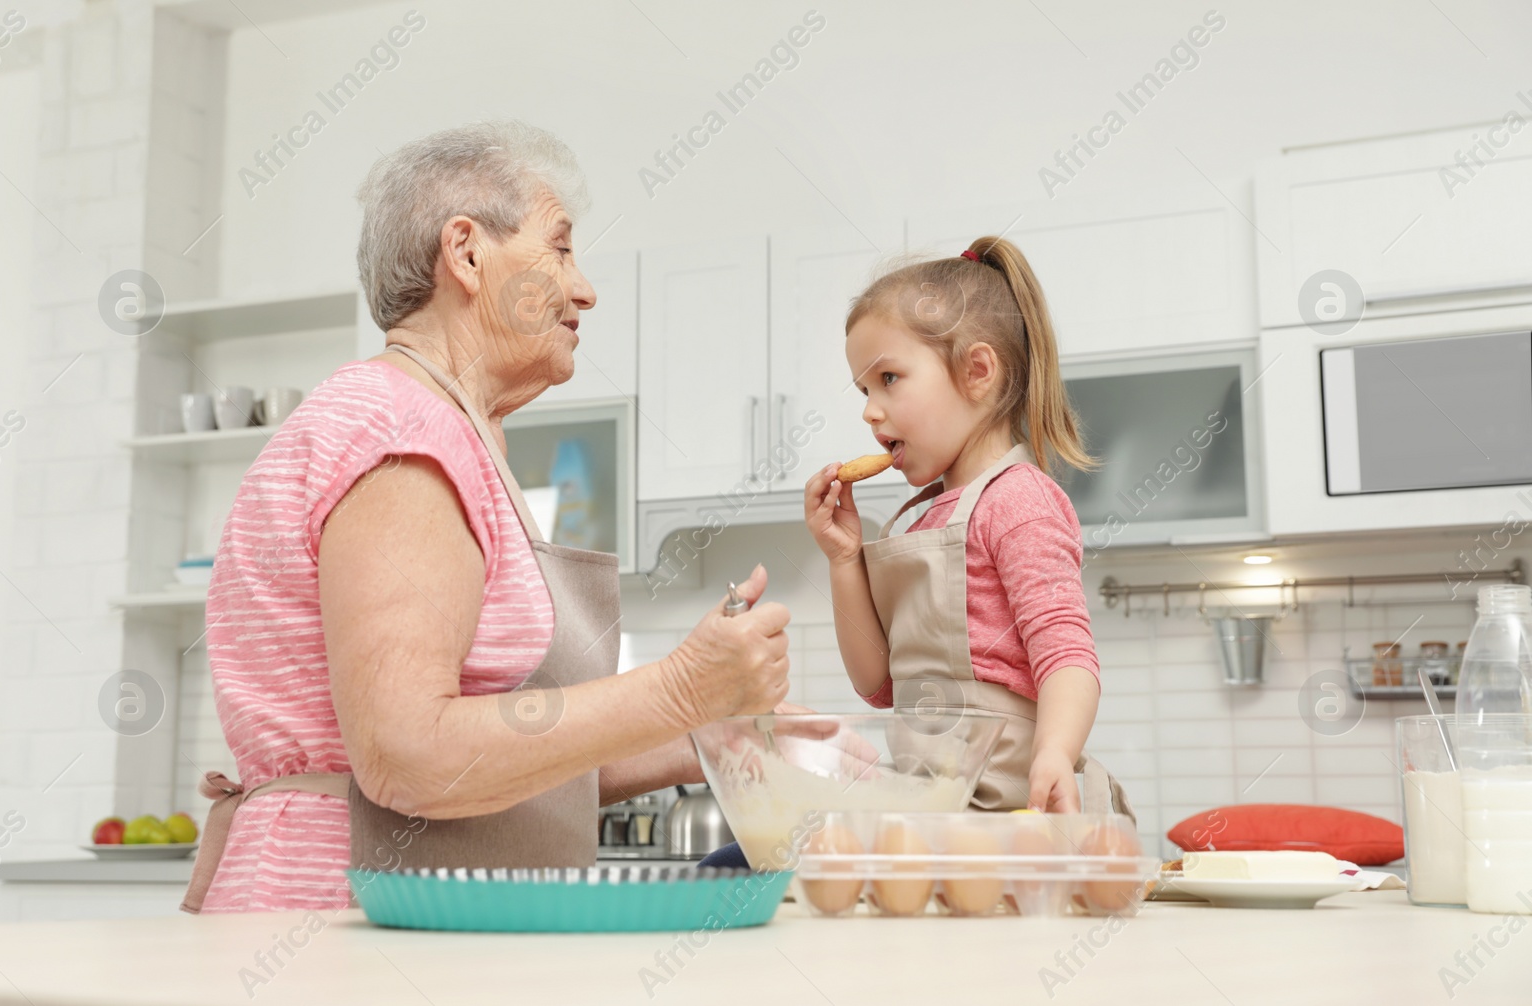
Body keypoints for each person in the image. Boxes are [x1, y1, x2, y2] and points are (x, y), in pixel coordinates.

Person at [183, 121, 792, 913]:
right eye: (562, 248)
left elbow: (502, 755)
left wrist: (712, 732)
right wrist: (678, 688)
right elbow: (409, 756)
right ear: (466, 254)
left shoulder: (444, 431)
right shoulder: (400, 432)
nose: (587, 289)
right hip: (334, 926)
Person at [803, 237, 1132, 816]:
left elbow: (1067, 654)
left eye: (889, 380)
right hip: (938, 809)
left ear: (976, 371)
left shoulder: (1018, 502)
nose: (869, 410)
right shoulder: (924, 518)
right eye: (863, 390)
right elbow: (878, 685)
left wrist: (1055, 754)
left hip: (1010, 811)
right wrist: (843, 560)